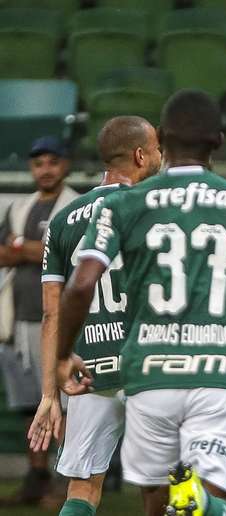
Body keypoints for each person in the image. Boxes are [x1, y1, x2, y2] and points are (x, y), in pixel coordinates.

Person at [56, 89, 226, 516]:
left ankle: (188, 499)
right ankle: (203, 500)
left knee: (152, 501)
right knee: (222, 502)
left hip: (150, 372)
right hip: (220, 370)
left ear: (162, 140)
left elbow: (78, 286)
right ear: (219, 141)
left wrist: (61, 355)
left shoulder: (125, 204)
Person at [27, 116, 162, 516]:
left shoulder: (64, 219)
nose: (160, 155)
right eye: (156, 148)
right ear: (140, 155)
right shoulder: (155, 208)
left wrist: (50, 393)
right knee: (162, 482)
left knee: (82, 486)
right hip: (149, 363)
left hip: (86, 370)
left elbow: (52, 315)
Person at [0, 136, 78, 507]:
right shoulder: (20, 206)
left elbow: (64, 254)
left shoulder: (78, 205)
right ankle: (37, 478)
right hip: (20, 318)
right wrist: (29, 249)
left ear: (65, 164)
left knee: (63, 403)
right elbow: (2, 254)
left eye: (52, 162)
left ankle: (67, 482)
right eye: (38, 163)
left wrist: (22, 247)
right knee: (31, 404)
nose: (45, 169)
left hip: (62, 322)